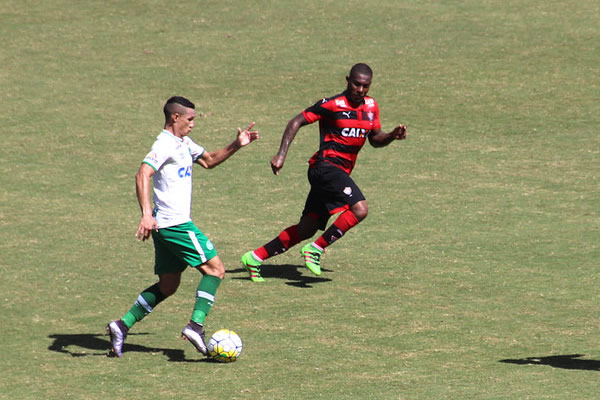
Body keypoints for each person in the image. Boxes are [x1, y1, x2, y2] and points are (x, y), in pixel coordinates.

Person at [107, 96, 258, 357]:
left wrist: (237, 144)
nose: (193, 124)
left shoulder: (183, 142)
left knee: (168, 285)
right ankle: (195, 326)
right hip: (175, 225)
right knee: (216, 270)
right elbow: (143, 172)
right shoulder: (164, 144)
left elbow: (209, 160)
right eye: (190, 119)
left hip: (164, 228)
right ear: (175, 117)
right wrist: (145, 213)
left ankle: (122, 325)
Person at [241, 63, 407, 282]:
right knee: (360, 209)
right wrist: (281, 154)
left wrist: (391, 136)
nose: (360, 90)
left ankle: (254, 258)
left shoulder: (371, 106)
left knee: (307, 228)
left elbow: (375, 140)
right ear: (348, 80)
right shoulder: (332, 104)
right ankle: (315, 250)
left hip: (337, 173)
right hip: (325, 168)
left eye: (365, 86)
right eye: (356, 84)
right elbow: (296, 121)